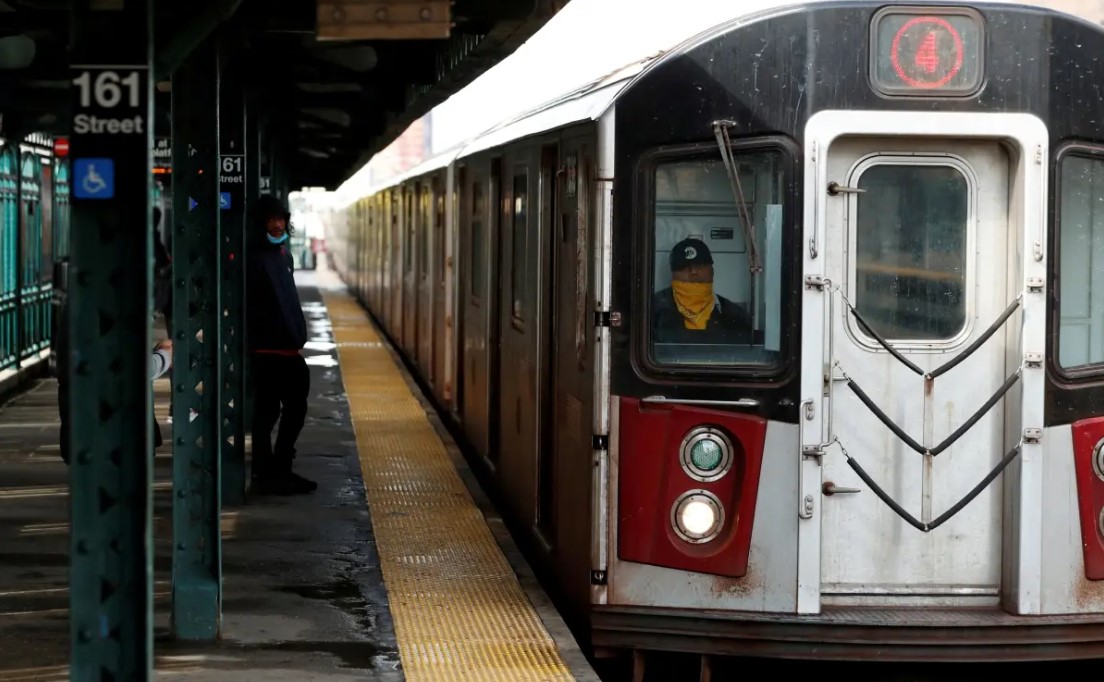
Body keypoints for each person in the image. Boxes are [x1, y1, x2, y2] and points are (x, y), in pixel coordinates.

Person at [246, 195, 316, 495]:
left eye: (281, 219)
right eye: (271, 219)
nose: (277, 224)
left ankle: (277, 469)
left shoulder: (282, 255)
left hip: (289, 350)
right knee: (267, 414)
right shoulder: (253, 257)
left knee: (292, 409)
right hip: (266, 352)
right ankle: (270, 472)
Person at [652, 237, 755, 344]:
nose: (693, 271)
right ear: (672, 273)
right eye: (684, 267)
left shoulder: (737, 317)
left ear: (712, 271)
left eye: (700, 265)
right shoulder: (651, 311)